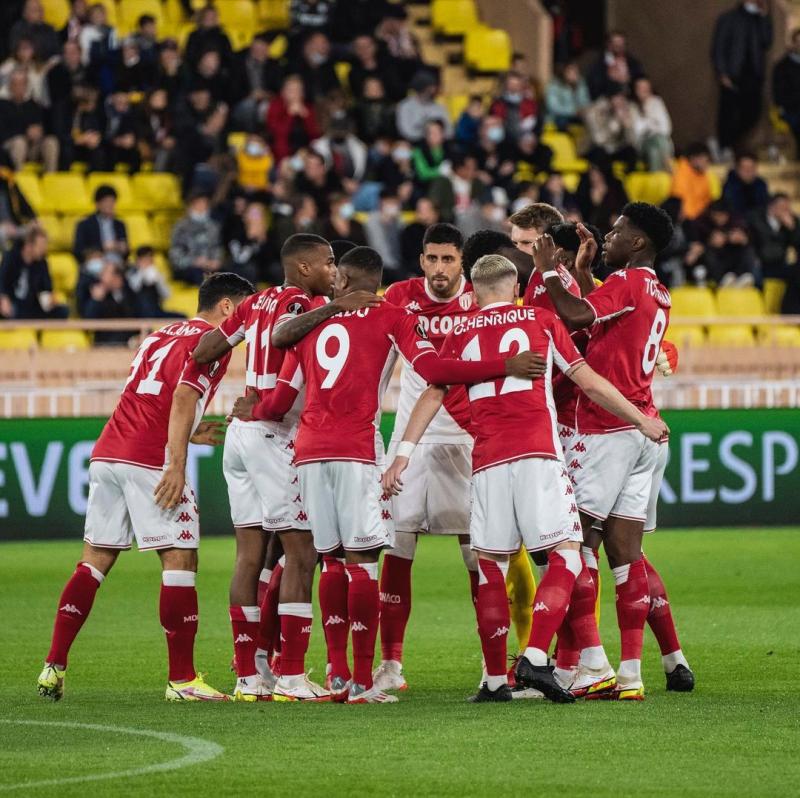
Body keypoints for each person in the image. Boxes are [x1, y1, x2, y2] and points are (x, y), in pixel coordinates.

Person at [232, 245, 543, 703]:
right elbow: (435, 369)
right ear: (376, 282)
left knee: (330, 561)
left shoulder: (311, 324)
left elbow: (279, 390)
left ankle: (333, 674)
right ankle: (361, 682)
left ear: (344, 282)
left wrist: (254, 409)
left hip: (308, 451)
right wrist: (505, 365)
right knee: (362, 563)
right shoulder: (392, 316)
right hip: (357, 450)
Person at [384, 253, 667, 702]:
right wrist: (640, 419)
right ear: (515, 287)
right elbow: (588, 380)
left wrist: (402, 455)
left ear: (473, 292)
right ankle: (536, 656)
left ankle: (495, 681)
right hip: (537, 453)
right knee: (567, 555)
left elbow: (435, 389)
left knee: (490, 566)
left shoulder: (459, 331)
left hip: (487, 460)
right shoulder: (539, 320)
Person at [36, 272, 255, 703]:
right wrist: (176, 463)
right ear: (228, 307)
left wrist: (190, 433)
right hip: (149, 459)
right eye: (244, 309)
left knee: (94, 561)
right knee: (180, 559)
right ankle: (182, 679)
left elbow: (148, 394)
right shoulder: (214, 343)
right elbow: (180, 399)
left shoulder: (161, 334)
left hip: (108, 452)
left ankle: (54, 664)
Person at [192, 234, 381, 702]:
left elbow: (203, 351)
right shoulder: (303, 305)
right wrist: (335, 308)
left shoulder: (254, 303)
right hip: (272, 435)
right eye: (328, 263)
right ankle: (292, 677)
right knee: (302, 554)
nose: (334, 271)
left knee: (249, 555)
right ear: (303, 269)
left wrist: (243, 402)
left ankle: (249, 676)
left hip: (240, 441)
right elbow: (282, 388)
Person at [531, 201, 675, 700]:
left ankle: (583, 664)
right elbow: (610, 317)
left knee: (577, 545)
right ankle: (631, 675)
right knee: (626, 555)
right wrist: (586, 272)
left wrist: (550, 271)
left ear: (637, 242)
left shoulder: (632, 282)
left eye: (616, 232)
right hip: (642, 429)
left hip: (606, 429)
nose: (606, 238)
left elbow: (572, 313)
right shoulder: (658, 290)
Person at [712, 0, 773, 153]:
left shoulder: (761, 18)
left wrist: (765, 17)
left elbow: (767, 42)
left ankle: (729, 141)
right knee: (727, 113)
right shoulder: (729, 18)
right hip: (733, 74)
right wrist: (722, 73)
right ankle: (724, 146)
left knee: (753, 113)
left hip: (754, 76)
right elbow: (718, 47)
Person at [0, 228, 68, 320]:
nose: (44, 249)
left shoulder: (42, 263)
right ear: (28, 246)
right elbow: (2, 280)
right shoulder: (11, 257)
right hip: (12, 303)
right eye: (40, 246)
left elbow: (47, 288)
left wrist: (50, 299)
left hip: (31, 306)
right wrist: (3, 297)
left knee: (62, 311)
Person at [0, 68, 58, 172]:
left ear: (26, 86)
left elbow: (42, 126)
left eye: (22, 84)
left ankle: (50, 179)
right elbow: (3, 133)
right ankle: (17, 181)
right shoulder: (2, 105)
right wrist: (25, 132)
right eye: (15, 84)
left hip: (32, 145)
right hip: (10, 146)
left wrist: (39, 132)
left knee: (51, 142)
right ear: (10, 86)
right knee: (19, 143)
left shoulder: (33, 106)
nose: (19, 87)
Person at [169, 190, 223, 286]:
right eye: (199, 203)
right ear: (191, 205)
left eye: (205, 203)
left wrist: (215, 261)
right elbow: (175, 255)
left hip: (209, 266)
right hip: (189, 268)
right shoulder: (181, 227)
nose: (203, 206)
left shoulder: (213, 226)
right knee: (201, 275)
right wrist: (194, 261)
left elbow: (216, 248)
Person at [231, 34, 283, 133]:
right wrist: (250, 95)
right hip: (242, 103)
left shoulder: (274, 65)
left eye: (263, 49)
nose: (259, 52)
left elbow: (278, 89)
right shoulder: (238, 63)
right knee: (249, 105)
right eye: (257, 49)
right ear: (251, 47)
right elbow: (232, 90)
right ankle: (252, 135)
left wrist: (265, 95)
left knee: (267, 107)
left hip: (266, 100)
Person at [265, 75, 321, 163]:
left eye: (298, 90)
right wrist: (289, 115)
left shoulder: (309, 108)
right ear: (283, 92)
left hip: (306, 153)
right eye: (291, 90)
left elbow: (316, 135)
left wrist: (306, 118)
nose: (295, 94)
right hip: (283, 155)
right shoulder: (275, 106)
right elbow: (276, 133)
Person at [748, 193, 800, 281]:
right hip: (760, 263)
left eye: (787, 208)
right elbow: (750, 242)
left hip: (781, 263)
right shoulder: (755, 218)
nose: (786, 211)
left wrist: (792, 229)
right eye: (782, 208)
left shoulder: (793, 221)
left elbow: (797, 245)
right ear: (772, 206)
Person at [73, 185, 129, 267]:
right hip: (96, 262)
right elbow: (78, 251)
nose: (109, 205)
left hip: (118, 263)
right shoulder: (85, 224)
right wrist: (103, 247)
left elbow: (126, 252)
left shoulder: (120, 224)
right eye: (106, 201)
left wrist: (123, 248)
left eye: (112, 201)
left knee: (148, 271)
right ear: (97, 204)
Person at [584, 91, 637, 172]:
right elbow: (598, 140)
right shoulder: (595, 112)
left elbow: (632, 141)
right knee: (600, 153)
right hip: (596, 149)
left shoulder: (625, 111)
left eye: (622, 100)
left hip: (615, 149)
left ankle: (630, 178)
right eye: (617, 99)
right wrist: (616, 122)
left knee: (631, 151)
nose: (620, 103)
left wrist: (628, 127)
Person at [630, 77, 673, 173]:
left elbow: (666, 128)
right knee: (657, 142)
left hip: (660, 144)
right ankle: (669, 170)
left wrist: (648, 125)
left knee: (654, 151)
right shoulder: (632, 108)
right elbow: (637, 132)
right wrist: (652, 125)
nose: (645, 91)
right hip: (642, 145)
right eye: (641, 88)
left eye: (646, 88)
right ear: (635, 90)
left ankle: (657, 181)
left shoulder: (656, 102)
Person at [395, 70, 451, 143]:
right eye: (431, 89)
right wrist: (429, 135)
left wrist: (436, 136)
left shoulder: (439, 107)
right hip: (414, 144)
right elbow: (406, 132)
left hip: (439, 145)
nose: (434, 91)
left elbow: (449, 131)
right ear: (422, 88)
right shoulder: (405, 106)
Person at [586, 30, 644, 100]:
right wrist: (611, 79)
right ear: (609, 45)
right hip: (607, 99)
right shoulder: (599, 64)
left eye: (622, 44)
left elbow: (640, 77)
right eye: (616, 43)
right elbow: (594, 87)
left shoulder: (632, 62)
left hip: (631, 99)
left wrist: (629, 78)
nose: (620, 46)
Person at [364, 190, 405, 282]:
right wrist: (385, 224)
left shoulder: (399, 221)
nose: (393, 206)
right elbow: (377, 246)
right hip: (380, 266)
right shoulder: (372, 219)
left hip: (398, 266)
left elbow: (401, 247)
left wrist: (392, 224)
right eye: (389, 202)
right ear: (381, 203)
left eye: (395, 203)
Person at [489, 71, 540, 143]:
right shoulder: (498, 103)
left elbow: (536, 125)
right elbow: (493, 120)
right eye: (511, 84)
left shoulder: (530, 104)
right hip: (503, 141)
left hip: (523, 141)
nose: (513, 87)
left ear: (521, 86)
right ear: (506, 85)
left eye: (516, 84)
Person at [126, 245, 176, 318]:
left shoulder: (156, 273)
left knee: (181, 317)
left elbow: (167, 295)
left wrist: (158, 279)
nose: (149, 262)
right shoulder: (132, 273)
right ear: (139, 260)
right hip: (138, 313)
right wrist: (142, 272)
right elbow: (134, 288)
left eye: (150, 259)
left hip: (155, 311)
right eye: (146, 259)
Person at [772, 28, 800, 154]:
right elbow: (779, 96)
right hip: (791, 111)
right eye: (799, 42)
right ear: (793, 44)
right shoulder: (782, 67)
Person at [670, 143, 715, 221]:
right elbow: (679, 200)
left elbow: (708, 200)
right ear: (694, 158)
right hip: (686, 221)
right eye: (706, 160)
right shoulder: (682, 171)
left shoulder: (703, 175)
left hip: (700, 219)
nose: (708, 164)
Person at [545, 61, 591, 130]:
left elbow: (585, 100)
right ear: (565, 72)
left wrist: (584, 109)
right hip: (558, 116)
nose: (576, 74)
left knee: (591, 117)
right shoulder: (554, 85)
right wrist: (574, 111)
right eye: (573, 71)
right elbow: (554, 107)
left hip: (577, 114)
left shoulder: (580, 82)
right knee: (562, 121)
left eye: (577, 71)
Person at [400, 197, 439, 273]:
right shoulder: (409, 231)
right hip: (417, 271)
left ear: (435, 212)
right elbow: (408, 258)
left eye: (426, 210)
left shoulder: (446, 230)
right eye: (420, 210)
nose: (422, 213)